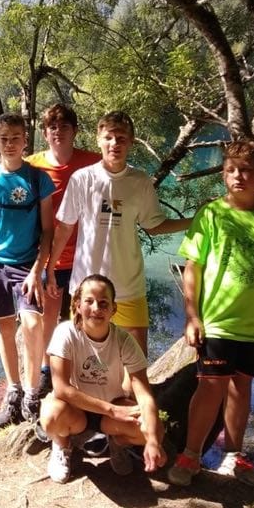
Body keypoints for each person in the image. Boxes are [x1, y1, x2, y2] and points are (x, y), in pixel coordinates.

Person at [168, 140, 254, 487]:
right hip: (217, 320)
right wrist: (192, 316)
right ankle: (190, 456)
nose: (238, 176)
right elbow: (193, 267)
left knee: (241, 388)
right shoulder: (211, 214)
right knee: (210, 386)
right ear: (223, 175)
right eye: (231, 170)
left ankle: (234, 457)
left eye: (245, 170)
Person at [48, 111, 190, 358]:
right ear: (99, 140)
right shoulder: (82, 179)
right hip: (87, 287)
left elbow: (153, 225)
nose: (115, 143)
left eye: (122, 138)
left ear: (131, 142)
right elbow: (65, 227)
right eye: (109, 137)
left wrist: (193, 221)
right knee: (85, 361)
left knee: (136, 361)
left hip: (129, 286)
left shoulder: (140, 181)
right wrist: (50, 268)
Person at [40, 274, 167, 483]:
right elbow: (61, 388)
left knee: (155, 430)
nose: (96, 308)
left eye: (103, 303)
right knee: (50, 415)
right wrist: (112, 410)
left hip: (112, 412)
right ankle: (63, 445)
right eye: (89, 301)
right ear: (78, 305)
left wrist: (153, 441)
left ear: (113, 309)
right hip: (76, 411)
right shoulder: (66, 333)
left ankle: (118, 443)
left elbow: (145, 396)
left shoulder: (124, 340)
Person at [0, 112, 56, 428]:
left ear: (25, 141)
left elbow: (48, 230)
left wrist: (37, 270)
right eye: (4, 138)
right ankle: (13, 392)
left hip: (26, 265)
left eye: (15, 138)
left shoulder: (37, 179)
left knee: (33, 324)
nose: (9, 144)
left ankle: (33, 394)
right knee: (4, 328)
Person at [26, 103, 100, 396]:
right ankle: (47, 371)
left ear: (75, 131)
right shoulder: (31, 166)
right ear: (45, 133)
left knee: (81, 318)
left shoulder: (93, 162)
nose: (58, 132)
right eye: (52, 127)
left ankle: (80, 372)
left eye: (64, 127)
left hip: (84, 258)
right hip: (47, 258)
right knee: (48, 317)